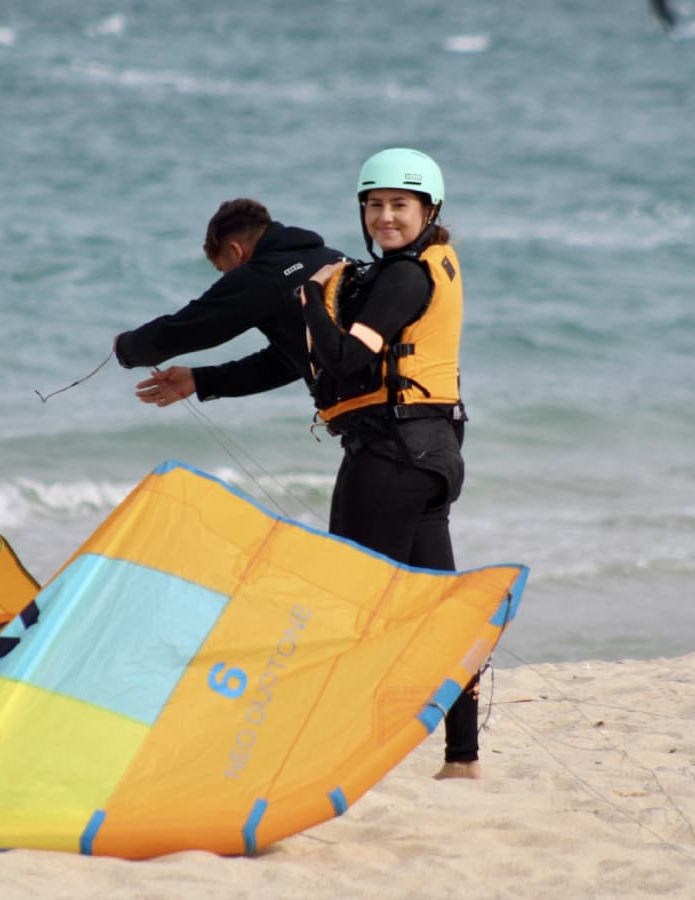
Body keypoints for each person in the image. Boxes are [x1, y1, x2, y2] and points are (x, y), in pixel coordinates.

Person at [299, 147, 482, 779]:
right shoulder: (431, 265)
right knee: (441, 608)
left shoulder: (405, 276)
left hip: (391, 457)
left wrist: (311, 305)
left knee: (350, 601)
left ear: (429, 210)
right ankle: (462, 758)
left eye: (399, 206)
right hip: (434, 455)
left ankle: (335, 752)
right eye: (374, 206)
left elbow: (348, 364)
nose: (385, 218)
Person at [113, 199, 343, 405]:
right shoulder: (332, 258)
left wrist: (128, 348)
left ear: (235, 251)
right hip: (374, 401)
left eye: (224, 271)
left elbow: (191, 327)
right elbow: (287, 362)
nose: (227, 280)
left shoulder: (263, 275)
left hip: (369, 422)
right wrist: (199, 380)